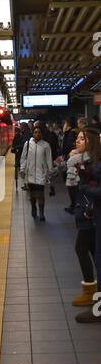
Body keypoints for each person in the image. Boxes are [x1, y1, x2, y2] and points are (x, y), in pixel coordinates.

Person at [75, 128, 101, 323]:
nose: (77, 141)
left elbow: (97, 190)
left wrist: (84, 185)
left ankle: (98, 309)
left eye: (81, 138)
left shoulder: (95, 165)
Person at [68, 130, 96, 306]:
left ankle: (89, 291)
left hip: (89, 212)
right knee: (93, 250)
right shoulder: (86, 159)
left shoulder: (89, 161)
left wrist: (89, 211)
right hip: (85, 209)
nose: (77, 141)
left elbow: (93, 187)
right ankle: (92, 292)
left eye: (82, 139)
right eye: (77, 138)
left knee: (81, 248)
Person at [20, 127, 53, 222]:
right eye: (35, 132)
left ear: (42, 134)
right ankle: (33, 207)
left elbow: (49, 160)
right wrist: (22, 169)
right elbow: (23, 158)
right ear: (32, 133)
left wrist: (49, 173)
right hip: (29, 174)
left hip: (41, 175)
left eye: (39, 132)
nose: (37, 134)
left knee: (41, 195)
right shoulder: (27, 144)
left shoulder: (46, 145)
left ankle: (42, 213)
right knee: (32, 196)